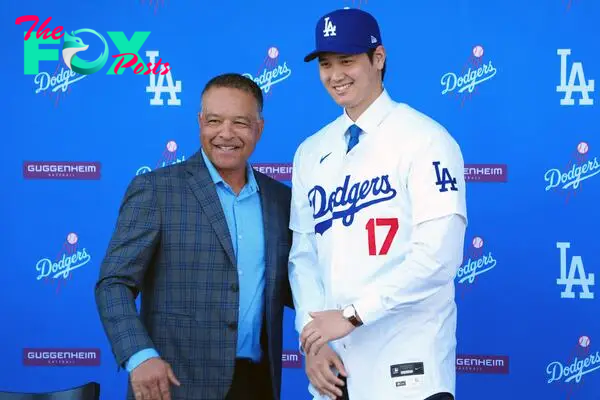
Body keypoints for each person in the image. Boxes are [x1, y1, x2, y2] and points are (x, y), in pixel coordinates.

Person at [288, 7, 467, 400]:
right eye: (325, 63)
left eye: (347, 60)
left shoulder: (426, 139)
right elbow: (303, 255)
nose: (335, 75)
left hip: (409, 366)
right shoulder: (311, 151)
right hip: (336, 375)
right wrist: (313, 338)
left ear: (378, 59)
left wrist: (353, 315)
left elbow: (438, 257)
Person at [95, 73, 294, 400]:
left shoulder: (279, 200)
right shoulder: (156, 190)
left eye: (240, 123)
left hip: (256, 385)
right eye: (214, 120)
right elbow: (113, 282)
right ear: (200, 122)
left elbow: (295, 285)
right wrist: (139, 355)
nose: (225, 134)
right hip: (173, 385)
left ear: (259, 128)